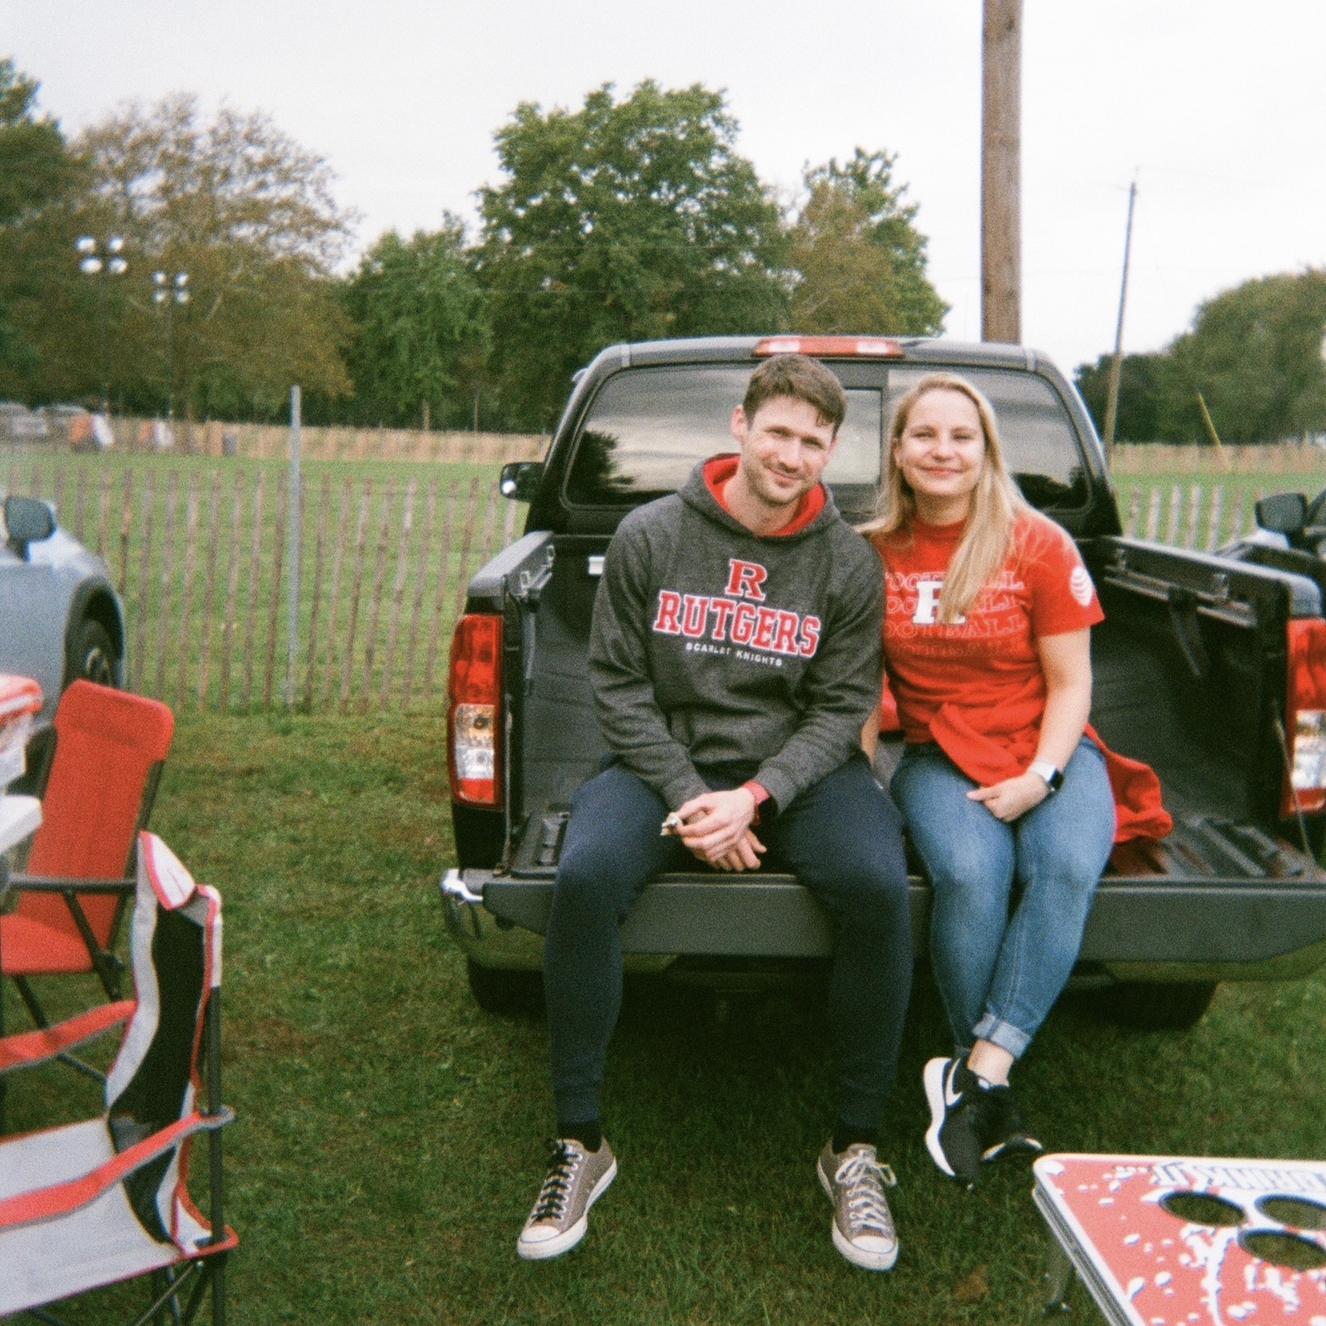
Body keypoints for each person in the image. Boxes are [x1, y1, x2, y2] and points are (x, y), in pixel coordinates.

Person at [517, 354, 913, 1271]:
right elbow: (615, 685)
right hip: (669, 770)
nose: (793, 455)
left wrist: (755, 796)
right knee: (585, 876)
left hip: (796, 780)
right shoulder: (654, 535)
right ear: (739, 425)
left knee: (875, 884)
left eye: (815, 442)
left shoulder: (848, 563)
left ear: (831, 451)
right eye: (779, 432)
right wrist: (694, 795)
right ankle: (580, 1141)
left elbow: (840, 708)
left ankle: (855, 1148)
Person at [863, 371, 1159, 1190]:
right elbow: (857, 691)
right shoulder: (873, 552)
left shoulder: (1037, 544)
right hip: (936, 753)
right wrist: (858, 785)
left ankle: (978, 1074)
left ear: (987, 449)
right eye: (925, 434)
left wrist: (1041, 777)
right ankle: (983, 1087)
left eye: (962, 436)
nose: (943, 450)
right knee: (970, 873)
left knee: (1064, 867)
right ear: (898, 451)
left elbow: (1071, 684)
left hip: (1052, 749)